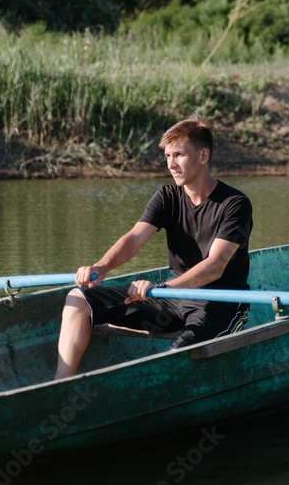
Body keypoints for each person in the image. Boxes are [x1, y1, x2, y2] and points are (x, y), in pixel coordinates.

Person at [53, 118, 252, 380]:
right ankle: (59, 386)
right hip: (173, 297)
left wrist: (165, 289)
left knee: (178, 357)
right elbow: (134, 238)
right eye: (167, 156)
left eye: (179, 154)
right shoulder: (167, 196)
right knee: (79, 298)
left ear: (203, 155)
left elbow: (215, 266)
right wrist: (102, 266)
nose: (171, 164)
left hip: (221, 302)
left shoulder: (235, 204)